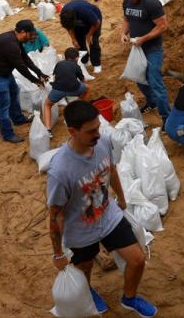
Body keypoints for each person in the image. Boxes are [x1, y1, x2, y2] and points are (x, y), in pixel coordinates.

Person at [47, 101, 157, 318]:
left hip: (108, 215)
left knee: (137, 260)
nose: (98, 134)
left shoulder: (103, 142)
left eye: (98, 127)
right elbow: (55, 215)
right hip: (80, 230)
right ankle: (87, 293)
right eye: (91, 131)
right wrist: (58, 253)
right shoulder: (60, 171)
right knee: (85, 268)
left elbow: (112, 170)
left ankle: (129, 298)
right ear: (73, 131)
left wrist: (122, 199)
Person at [0, 20, 48, 143]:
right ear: (22, 32)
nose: (32, 38)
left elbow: (25, 58)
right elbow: (21, 67)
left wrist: (39, 73)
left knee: (14, 91)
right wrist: (36, 81)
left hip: (3, 71)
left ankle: (18, 118)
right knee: (4, 103)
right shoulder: (10, 44)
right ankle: (7, 134)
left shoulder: (16, 40)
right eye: (30, 35)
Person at [121, 0, 171, 126]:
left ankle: (166, 118)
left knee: (155, 82)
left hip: (152, 49)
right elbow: (126, 19)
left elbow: (163, 26)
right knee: (139, 79)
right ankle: (152, 102)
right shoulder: (127, 2)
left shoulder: (151, 3)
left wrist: (144, 38)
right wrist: (123, 33)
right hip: (137, 49)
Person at [42, 48, 90, 132]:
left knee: (47, 105)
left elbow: (54, 78)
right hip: (74, 89)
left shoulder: (59, 64)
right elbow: (83, 81)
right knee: (87, 88)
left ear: (65, 57)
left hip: (58, 90)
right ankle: (83, 109)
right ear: (76, 58)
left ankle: (48, 129)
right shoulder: (76, 66)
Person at [60, 0, 103, 73]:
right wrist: (74, 39)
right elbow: (69, 27)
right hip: (79, 23)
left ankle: (96, 64)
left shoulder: (84, 11)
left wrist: (89, 35)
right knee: (79, 42)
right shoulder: (64, 15)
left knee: (93, 41)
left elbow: (96, 23)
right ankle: (85, 61)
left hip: (94, 21)